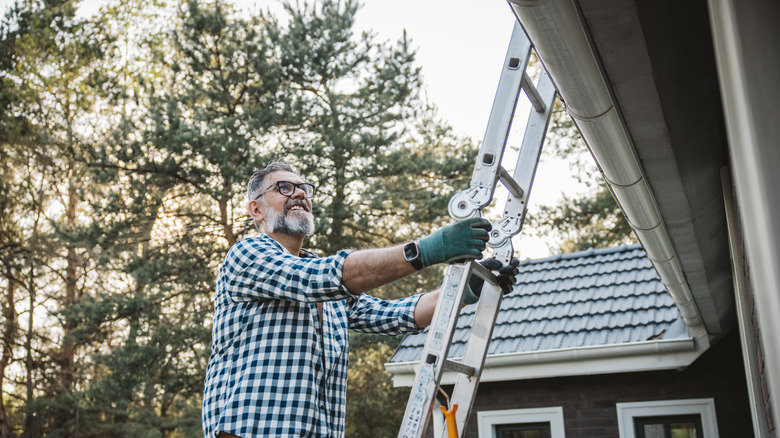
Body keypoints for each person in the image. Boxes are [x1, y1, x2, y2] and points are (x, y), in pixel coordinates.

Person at [202, 161, 519, 438]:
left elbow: (394, 315)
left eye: (303, 188)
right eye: (284, 188)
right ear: (256, 209)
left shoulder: (326, 285)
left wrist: (463, 290)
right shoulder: (248, 254)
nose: (299, 194)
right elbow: (321, 276)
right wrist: (428, 249)